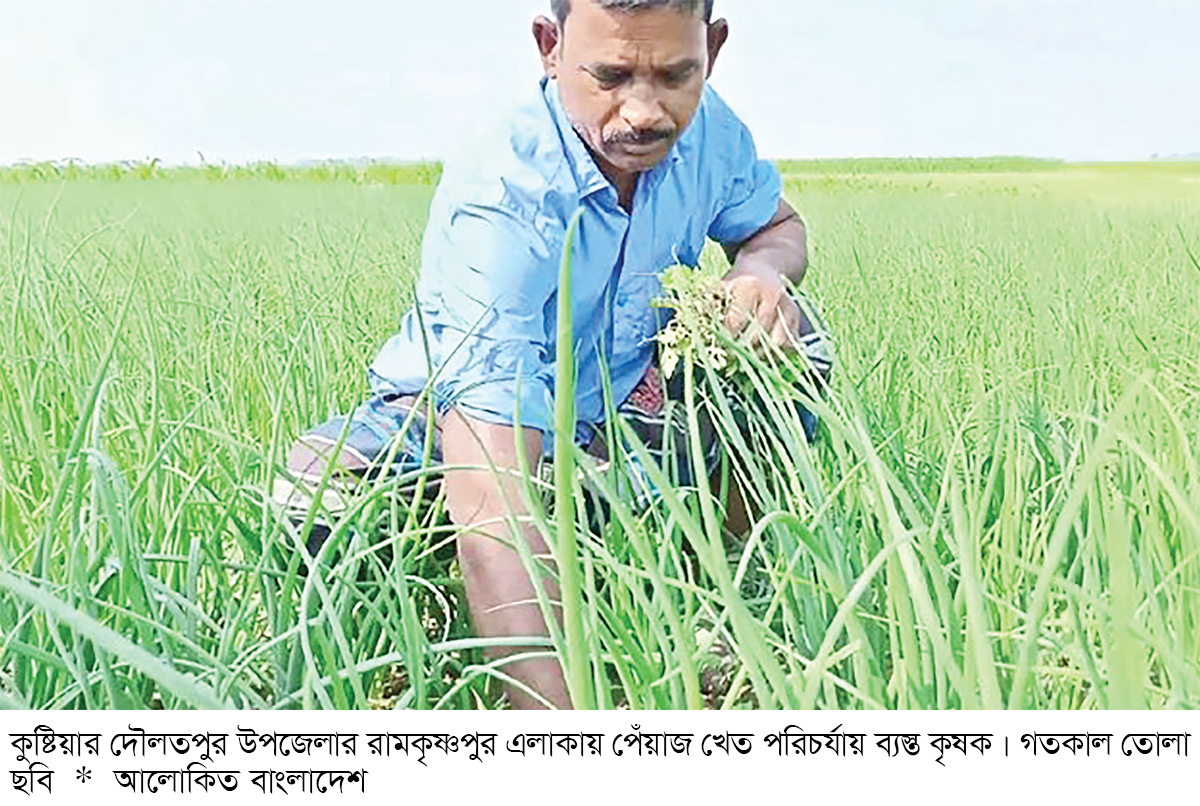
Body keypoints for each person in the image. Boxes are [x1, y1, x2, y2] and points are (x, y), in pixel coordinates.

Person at [274, 0, 833, 709]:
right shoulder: (505, 195)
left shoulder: (711, 134)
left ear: (711, 52)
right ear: (549, 46)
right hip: (454, 426)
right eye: (611, 74)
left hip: (617, 423)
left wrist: (761, 273)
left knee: (790, 339)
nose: (643, 112)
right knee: (312, 494)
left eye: (674, 75)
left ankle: (709, 607)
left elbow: (779, 227)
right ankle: (422, 634)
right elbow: (490, 491)